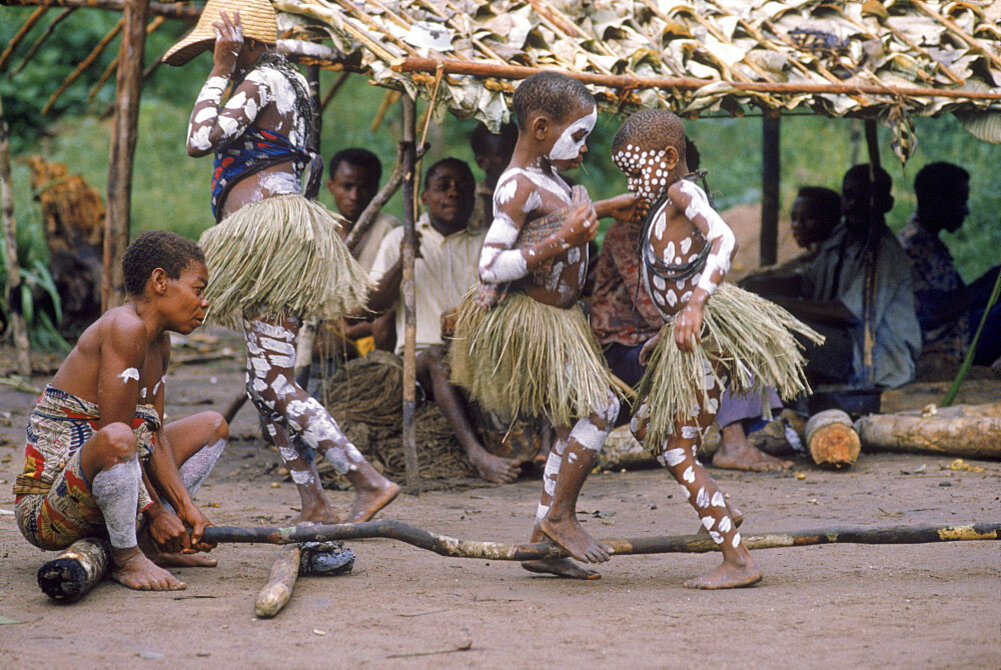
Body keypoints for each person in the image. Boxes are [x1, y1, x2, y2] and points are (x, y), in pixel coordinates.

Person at [165, 0, 398, 524]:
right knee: (263, 382)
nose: (215, 55)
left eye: (220, 46)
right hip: (269, 233)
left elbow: (199, 140)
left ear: (241, 41)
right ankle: (314, 502)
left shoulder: (265, 78)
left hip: (270, 236)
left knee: (273, 380)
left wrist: (220, 71)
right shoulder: (282, 77)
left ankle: (368, 480)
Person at [611, 110, 821, 588]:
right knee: (647, 428)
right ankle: (722, 508)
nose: (632, 182)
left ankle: (738, 558)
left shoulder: (684, 193)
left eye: (635, 170)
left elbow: (724, 240)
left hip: (706, 339)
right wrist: (666, 331)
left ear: (667, 158)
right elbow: (678, 282)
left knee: (676, 447)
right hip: (684, 340)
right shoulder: (663, 206)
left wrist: (695, 308)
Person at [449, 72, 637, 579]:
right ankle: (559, 515)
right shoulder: (516, 185)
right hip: (536, 320)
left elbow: (558, 220)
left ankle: (541, 543)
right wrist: (565, 239)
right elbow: (490, 266)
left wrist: (604, 209)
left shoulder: (549, 181)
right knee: (601, 409)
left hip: (562, 319)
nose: (585, 147)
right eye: (578, 135)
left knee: (567, 423)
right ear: (538, 127)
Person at [13, 231, 228, 592]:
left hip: (111, 490)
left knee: (212, 426)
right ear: (159, 282)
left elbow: (151, 436)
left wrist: (184, 507)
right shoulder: (124, 328)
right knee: (117, 437)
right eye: (198, 289)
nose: (204, 303)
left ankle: (150, 545)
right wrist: (155, 511)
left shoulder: (158, 341)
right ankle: (128, 555)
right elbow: (115, 436)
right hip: (49, 512)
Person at [590, 142, 792, 473]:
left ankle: (733, 441)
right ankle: (733, 444)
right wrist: (700, 319)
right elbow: (652, 306)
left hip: (665, 331)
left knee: (741, 342)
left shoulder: (685, 220)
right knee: (713, 350)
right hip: (629, 346)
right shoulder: (631, 230)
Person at [364, 158, 525, 483]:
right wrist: (403, 262)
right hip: (419, 361)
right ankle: (475, 453)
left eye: (462, 188)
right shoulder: (399, 239)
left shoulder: (486, 244)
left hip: (476, 355)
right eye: (443, 186)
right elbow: (371, 306)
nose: (453, 193)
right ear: (424, 197)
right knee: (438, 356)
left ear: (474, 197)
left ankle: (534, 448)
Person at [743, 165, 921, 389]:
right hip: (841, 344)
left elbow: (847, 312)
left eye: (864, 197)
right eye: (849, 196)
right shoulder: (842, 242)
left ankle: (764, 408)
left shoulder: (883, 252)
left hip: (873, 358)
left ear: (886, 204)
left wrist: (779, 306)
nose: (854, 204)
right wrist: (756, 287)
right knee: (758, 320)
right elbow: (806, 282)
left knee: (774, 329)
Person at [898, 162, 1001, 365]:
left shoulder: (928, 242)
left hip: (957, 333)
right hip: (942, 346)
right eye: (960, 202)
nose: (966, 211)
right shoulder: (913, 247)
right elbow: (929, 313)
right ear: (938, 201)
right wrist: (984, 286)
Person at [326, 148, 399, 354]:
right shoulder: (321, 229)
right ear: (331, 186)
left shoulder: (390, 229)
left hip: (374, 333)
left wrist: (353, 329)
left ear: (376, 189)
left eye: (363, 187)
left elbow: (391, 301)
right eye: (347, 187)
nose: (354, 196)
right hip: (328, 333)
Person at [747, 186, 842, 279]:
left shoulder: (839, 257)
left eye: (808, 217)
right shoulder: (813, 255)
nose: (796, 225)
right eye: (794, 218)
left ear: (829, 219)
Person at [469, 122, 518, 231]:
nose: (517, 160)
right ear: (482, 162)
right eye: (506, 154)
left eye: (519, 151)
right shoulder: (469, 204)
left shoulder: (552, 189)